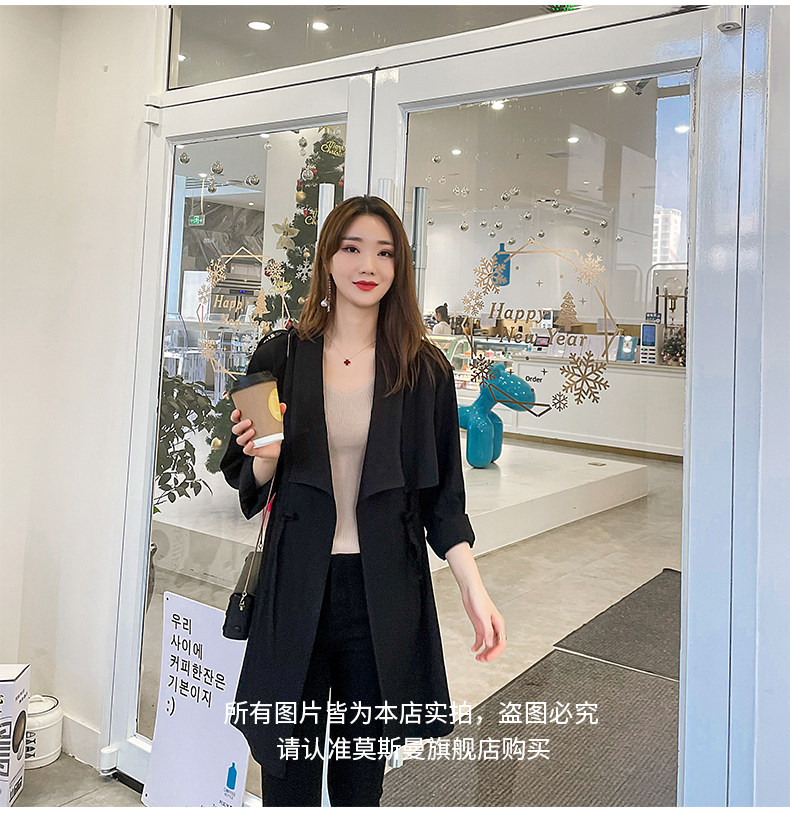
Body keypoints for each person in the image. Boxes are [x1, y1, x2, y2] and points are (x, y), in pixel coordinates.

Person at [220, 195, 505, 807]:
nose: (367, 265)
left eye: (384, 252)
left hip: (381, 594)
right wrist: (264, 457)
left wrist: (472, 587)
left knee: (359, 781)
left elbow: (442, 500)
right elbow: (248, 475)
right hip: (295, 586)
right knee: (287, 776)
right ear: (328, 258)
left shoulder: (425, 371)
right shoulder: (279, 356)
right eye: (352, 248)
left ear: (400, 267)